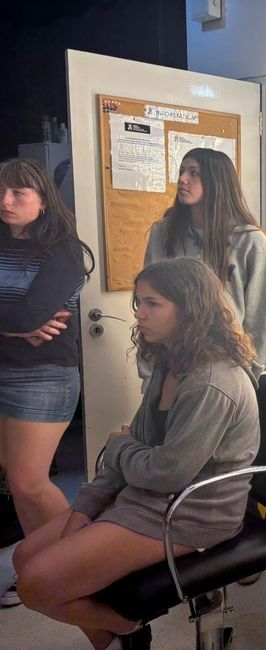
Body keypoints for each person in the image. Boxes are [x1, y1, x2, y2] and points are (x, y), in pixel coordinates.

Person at [12, 257, 260, 650]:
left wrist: (120, 446)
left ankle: (123, 627)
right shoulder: (170, 361)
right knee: (23, 558)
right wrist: (83, 510)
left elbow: (163, 471)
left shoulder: (213, 381)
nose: (139, 314)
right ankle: (113, 638)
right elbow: (131, 448)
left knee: (35, 586)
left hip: (194, 511)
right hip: (149, 495)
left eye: (152, 304)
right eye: (138, 303)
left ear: (189, 308)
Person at [0, 158, 94, 606]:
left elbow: (29, 314)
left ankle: (87, 563)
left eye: (18, 193)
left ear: (42, 200)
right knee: (19, 482)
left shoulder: (63, 250)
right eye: (1, 191)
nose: (5, 201)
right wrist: (14, 328)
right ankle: (42, 563)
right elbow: (20, 319)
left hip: (43, 375)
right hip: (3, 366)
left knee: (30, 480)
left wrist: (21, 323)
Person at [143, 148, 266, 370]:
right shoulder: (163, 233)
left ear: (216, 181)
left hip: (227, 365)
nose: (182, 179)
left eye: (193, 173)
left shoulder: (249, 241)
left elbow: (264, 318)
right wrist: (150, 371)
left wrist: (256, 377)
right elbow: (149, 300)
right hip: (170, 363)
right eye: (181, 171)